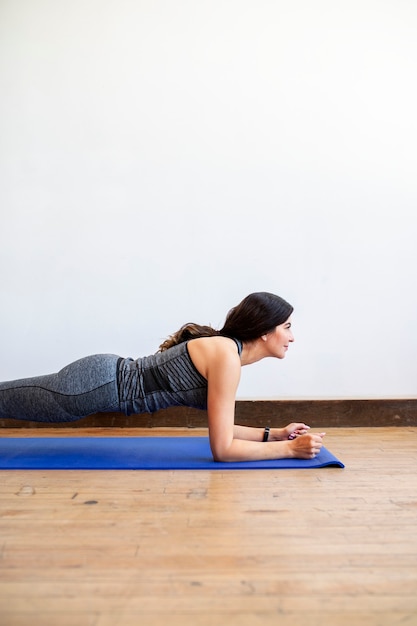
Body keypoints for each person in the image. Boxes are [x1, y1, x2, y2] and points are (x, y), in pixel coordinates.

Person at [0, 291, 325, 462]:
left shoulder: (228, 355)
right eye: (287, 327)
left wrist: (276, 434)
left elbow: (221, 428)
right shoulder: (227, 357)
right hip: (91, 385)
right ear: (266, 331)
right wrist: (289, 450)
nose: (292, 337)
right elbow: (223, 450)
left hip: (98, 378)